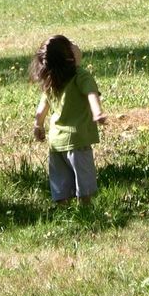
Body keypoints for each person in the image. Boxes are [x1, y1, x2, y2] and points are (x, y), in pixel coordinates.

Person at [29, 34, 106, 205]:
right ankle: (85, 211)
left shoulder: (51, 80)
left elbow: (41, 109)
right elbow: (91, 93)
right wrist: (97, 112)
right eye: (71, 44)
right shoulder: (81, 75)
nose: (76, 44)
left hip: (56, 141)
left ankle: (63, 211)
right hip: (77, 140)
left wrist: (38, 125)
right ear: (70, 57)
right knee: (84, 182)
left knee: (60, 183)